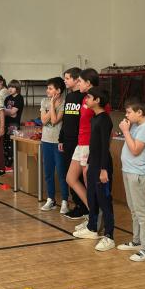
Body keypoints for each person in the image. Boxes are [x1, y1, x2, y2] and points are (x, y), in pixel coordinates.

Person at [73, 88, 114, 252]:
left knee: (104, 201)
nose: (86, 100)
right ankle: (92, 228)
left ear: (97, 100)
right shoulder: (94, 118)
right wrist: (89, 164)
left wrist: (103, 169)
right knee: (92, 197)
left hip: (102, 166)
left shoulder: (105, 120)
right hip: (93, 164)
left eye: (89, 97)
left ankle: (109, 236)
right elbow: (93, 146)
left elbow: (104, 147)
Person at [118, 99, 145, 262]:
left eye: (129, 112)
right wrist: (128, 129)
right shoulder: (135, 125)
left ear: (139, 112)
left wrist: (125, 131)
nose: (126, 115)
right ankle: (137, 241)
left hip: (138, 174)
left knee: (142, 212)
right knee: (134, 210)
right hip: (128, 171)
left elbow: (135, 150)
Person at [65, 68, 101, 220]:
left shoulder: (98, 99)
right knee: (70, 178)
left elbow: (102, 123)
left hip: (88, 144)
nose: (78, 83)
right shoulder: (85, 98)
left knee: (89, 182)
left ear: (88, 82)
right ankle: (91, 211)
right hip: (80, 143)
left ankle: (94, 217)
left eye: (80, 81)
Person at [58, 67, 88, 220]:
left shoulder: (84, 97)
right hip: (68, 141)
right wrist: (61, 138)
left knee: (79, 176)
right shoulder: (69, 97)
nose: (65, 81)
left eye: (68, 78)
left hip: (79, 142)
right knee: (68, 174)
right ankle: (77, 204)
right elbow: (66, 120)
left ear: (77, 80)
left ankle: (84, 206)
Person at [40, 77, 69, 213]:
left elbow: (54, 120)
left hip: (58, 142)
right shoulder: (44, 101)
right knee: (48, 172)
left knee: (62, 173)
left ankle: (64, 201)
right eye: (47, 88)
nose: (47, 90)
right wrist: (50, 104)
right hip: (46, 141)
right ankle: (50, 199)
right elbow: (43, 121)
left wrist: (52, 105)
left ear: (58, 91)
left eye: (50, 88)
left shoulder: (64, 103)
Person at [3, 79, 24, 167]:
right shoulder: (7, 98)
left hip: (14, 124)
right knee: (5, 142)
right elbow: (7, 112)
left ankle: (10, 162)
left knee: (11, 143)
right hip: (6, 122)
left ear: (17, 88)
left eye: (13, 87)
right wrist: (9, 112)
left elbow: (13, 112)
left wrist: (7, 111)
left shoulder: (19, 98)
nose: (10, 89)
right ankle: (5, 161)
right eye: (9, 87)